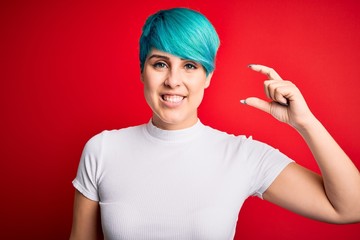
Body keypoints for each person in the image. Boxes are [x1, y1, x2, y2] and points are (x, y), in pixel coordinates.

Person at [69, 7, 360, 240]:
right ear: (143, 72)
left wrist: (305, 122)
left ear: (208, 76)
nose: (173, 80)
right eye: (160, 63)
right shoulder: (103, 149)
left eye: (190, 66)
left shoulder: (240, 155)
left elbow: (351, 208)